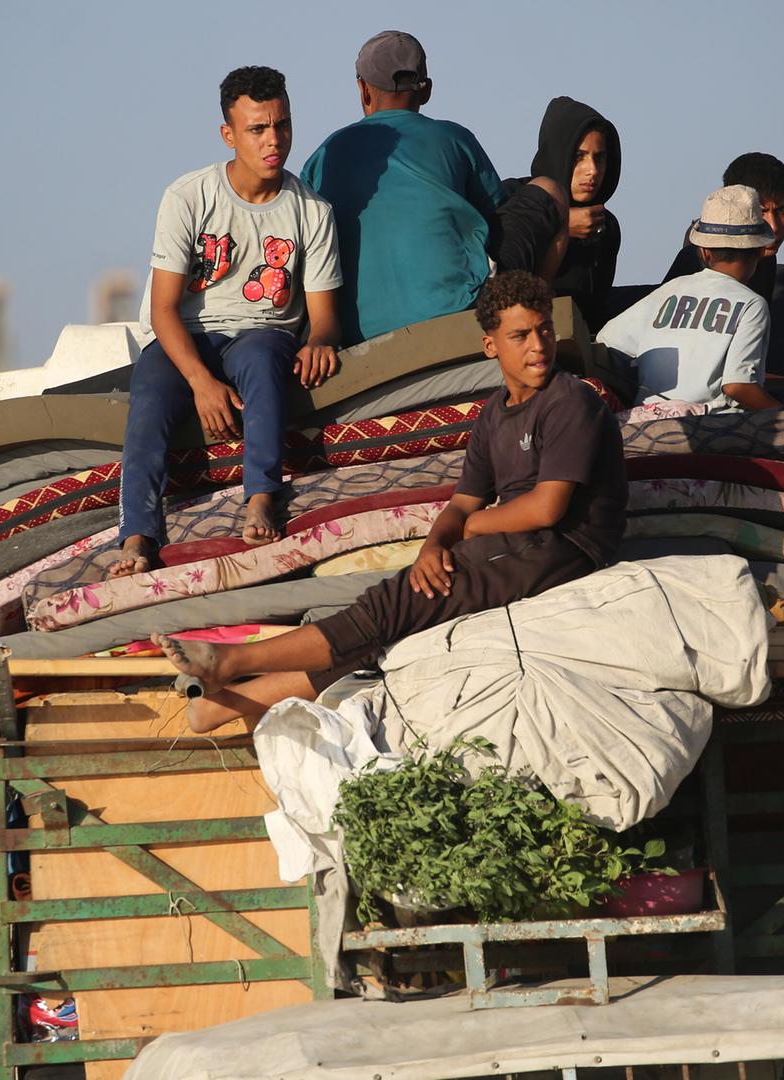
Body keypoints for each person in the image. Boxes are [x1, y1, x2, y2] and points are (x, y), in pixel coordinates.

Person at [156, 271, 626, 732]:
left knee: (396, 605)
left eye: (544, 329)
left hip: (564, 546)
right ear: (491, 346)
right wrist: (433, 546)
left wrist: (465, 531)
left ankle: (231, 660)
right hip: (512, 541)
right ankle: (222, 706)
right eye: (520, 335)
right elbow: (463, 502)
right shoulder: (492, 416)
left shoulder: (569, 402)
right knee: (390, 616)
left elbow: (545, 510)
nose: (538, 346)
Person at [111, 66, 344, 578]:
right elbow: (163, 310)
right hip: (186, 337)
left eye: (281, 125)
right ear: (229, 134)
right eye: (258, 129)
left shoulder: (312, 212)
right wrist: (201, 383)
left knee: (263, 360)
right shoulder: (188, 197)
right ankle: (136, 537)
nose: (273, 140)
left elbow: (323, 319)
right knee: (147, 399)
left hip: (263, 334)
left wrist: (320, 342)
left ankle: (261, 496)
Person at [300, 30, 569, 345]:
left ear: (364, 90)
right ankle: (533, 324)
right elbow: (496, 216)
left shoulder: (324, 155)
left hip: (354, 331)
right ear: (426, 91)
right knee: (550, 191)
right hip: (457, 310)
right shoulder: (453, 138)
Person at [598, 186, 784, 442]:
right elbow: (738, 386)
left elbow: (607, 340)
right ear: (759, 251)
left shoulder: (668, 292)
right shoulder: (751, 305)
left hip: (648, 427)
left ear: (704, 251)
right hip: (706, 432)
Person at [662, 152, 784, 378]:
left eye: (781, 210)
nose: (773, 225)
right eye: (762, 211)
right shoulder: (700, 257)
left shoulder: (768, 265)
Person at [507, 96, 622, 331]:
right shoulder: (512, 199)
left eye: (599, 158)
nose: (593, 170)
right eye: (579, 157)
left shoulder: (605, 226)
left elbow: (596, 312)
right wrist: (560, 225)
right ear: (559, 155)